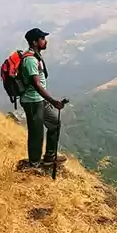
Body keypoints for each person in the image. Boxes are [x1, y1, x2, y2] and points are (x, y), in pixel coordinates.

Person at [19, 28, 68, 168]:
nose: (45, 41)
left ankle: (49, 157)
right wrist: (53, 101)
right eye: (42, 38)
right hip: (32, 101)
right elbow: (36, 85)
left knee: (55, 123)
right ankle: (34, 165)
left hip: (39, 99)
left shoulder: (35, 56)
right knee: (36, 133)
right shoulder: (30, 60)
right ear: (35, 42)